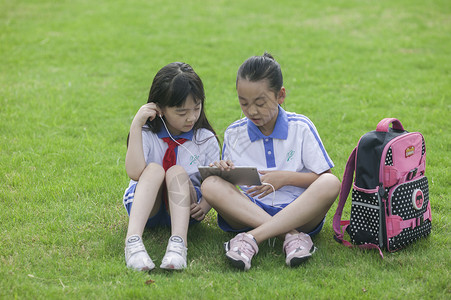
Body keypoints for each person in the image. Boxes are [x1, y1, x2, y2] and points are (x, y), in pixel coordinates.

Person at [201, 53, 340, 271]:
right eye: (243, 103)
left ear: (280, 95)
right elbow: (229, 183)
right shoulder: (234, 133)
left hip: (298, 212)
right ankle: (292, 237)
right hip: (250, 211)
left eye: (260, 102)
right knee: (210, 184)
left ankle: (250, 239)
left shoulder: (301, 127)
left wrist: (284, 178)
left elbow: (324, 177)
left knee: (331, 183)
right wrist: (222, 170)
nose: (252, 111)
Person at [123, 62, 220, 271]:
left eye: (196, 108)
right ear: (160, 108)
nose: (191, 117)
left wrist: (205, 207)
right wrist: (136, 125)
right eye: (181, 111)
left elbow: (215, 182)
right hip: (147, 208)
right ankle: (133, 242)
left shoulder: (204, 139)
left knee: (177, 171)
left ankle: (178, 244)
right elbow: (134, 172)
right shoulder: (147, 133)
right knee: (155, 169)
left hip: (186, 212)